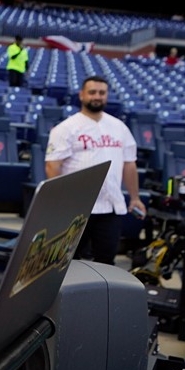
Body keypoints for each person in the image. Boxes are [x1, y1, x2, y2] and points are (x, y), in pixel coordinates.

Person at [45, 75, 146, 266]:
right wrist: (58, 202)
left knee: (106, 262)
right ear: (82, 95)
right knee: (66, 263)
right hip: (76, 208)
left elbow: (129, 163)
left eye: (102, 92)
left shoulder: (119, 127)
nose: (97, 96)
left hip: (110, 207)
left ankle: (98, 296)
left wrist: (134, 197)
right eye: (92, 92)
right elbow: (52, 166)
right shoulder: (66, 128)